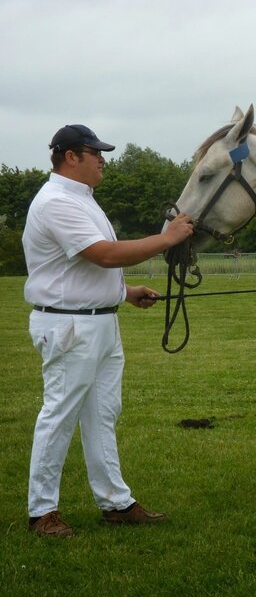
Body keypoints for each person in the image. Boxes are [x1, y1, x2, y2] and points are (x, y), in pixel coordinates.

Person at [22, 124, 195, 537]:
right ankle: (42, 511)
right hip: (69, 325)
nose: (102, 159)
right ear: (70, 157)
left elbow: (82, 267)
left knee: (102, 415)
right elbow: (102, 255)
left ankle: (115, 502)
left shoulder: (83, 200)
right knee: (59, 415)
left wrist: (125, 292)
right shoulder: (55, 202)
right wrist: (166, 238)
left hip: (97, 321)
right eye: (94, 152)